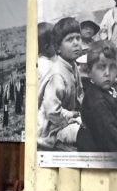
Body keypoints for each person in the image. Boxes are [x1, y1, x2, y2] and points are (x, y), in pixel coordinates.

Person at [36, 17, 84, 150]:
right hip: (53, 129)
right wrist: (72, 117)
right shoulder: (57, 74)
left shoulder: (73, 66)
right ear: (57, 48)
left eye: (78, 38)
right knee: (87, 137)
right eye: (70, 39)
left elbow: (80, 95)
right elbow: (52, 112)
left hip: (68, 119)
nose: (76, 43)